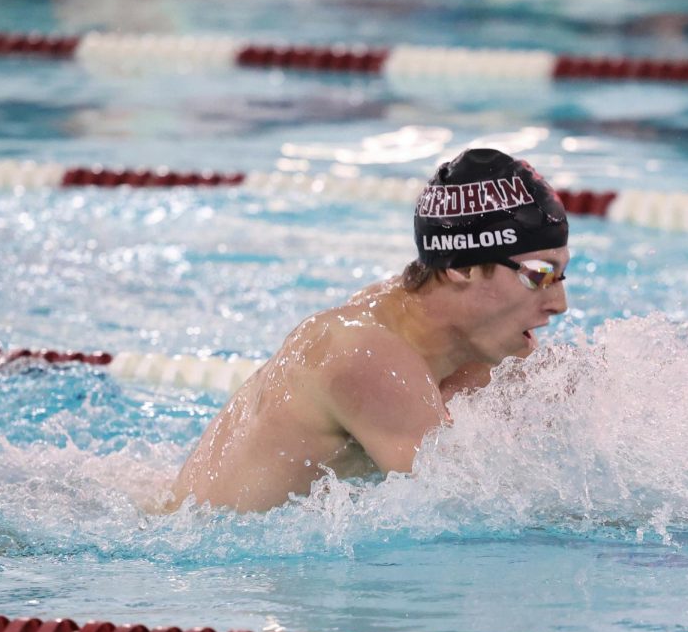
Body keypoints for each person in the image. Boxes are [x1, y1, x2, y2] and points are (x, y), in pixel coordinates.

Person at [167, 148, 570, 512]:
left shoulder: (474, 342)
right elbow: (469, 509)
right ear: (461, 267)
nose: (559, 304)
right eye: (538, 276)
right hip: (220, 575)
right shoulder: (361, 351)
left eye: (562, 276)